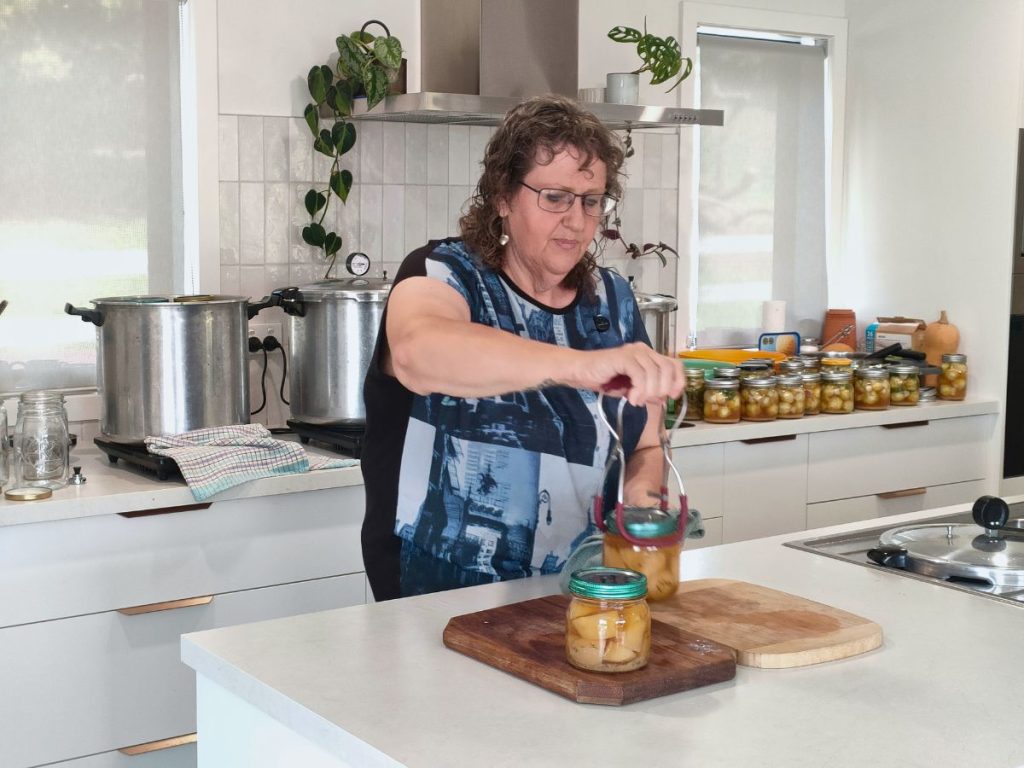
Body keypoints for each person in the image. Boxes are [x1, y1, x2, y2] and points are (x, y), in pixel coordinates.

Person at [360, 95, 684, 601]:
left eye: (591, 200)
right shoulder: (443, 273)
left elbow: (645, 443)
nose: (576, 220)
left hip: (580, 592)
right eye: (555, 197)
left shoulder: (612, 300)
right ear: (503, 198)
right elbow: (417, 353)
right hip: (437, 599)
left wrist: (641, 505)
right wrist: (581, 367)